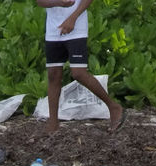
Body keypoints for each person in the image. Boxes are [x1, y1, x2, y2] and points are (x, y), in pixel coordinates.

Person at [37, 0, 124, 134]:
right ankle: (53, 124)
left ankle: (114, 107)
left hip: (76, 28)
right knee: (53, 75)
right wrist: (58, 3)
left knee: (78, 73)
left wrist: (73, 17)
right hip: (53, 30)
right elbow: (40, 2)